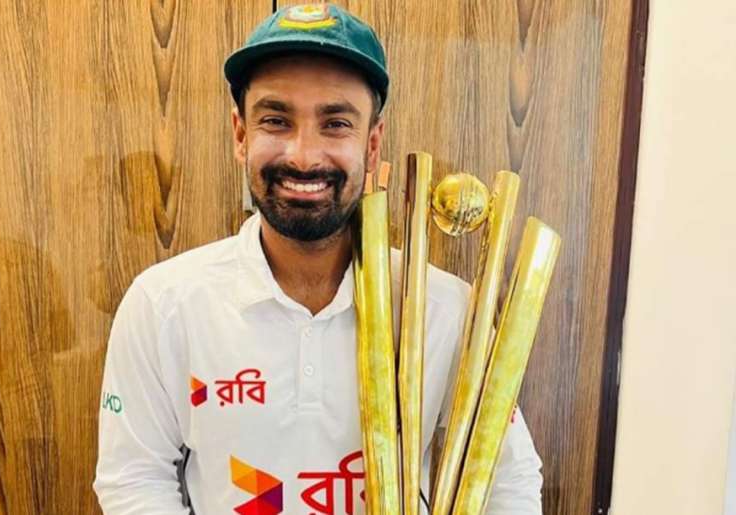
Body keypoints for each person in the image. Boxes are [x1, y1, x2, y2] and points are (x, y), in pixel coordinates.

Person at [93, 4, 543, 514]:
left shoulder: (447, 308)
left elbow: (507, 480)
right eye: (275, 120)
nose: (303, 156)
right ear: (241, 135)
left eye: (335, 123)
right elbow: (134, 478)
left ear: (372, 145)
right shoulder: (163, 304)